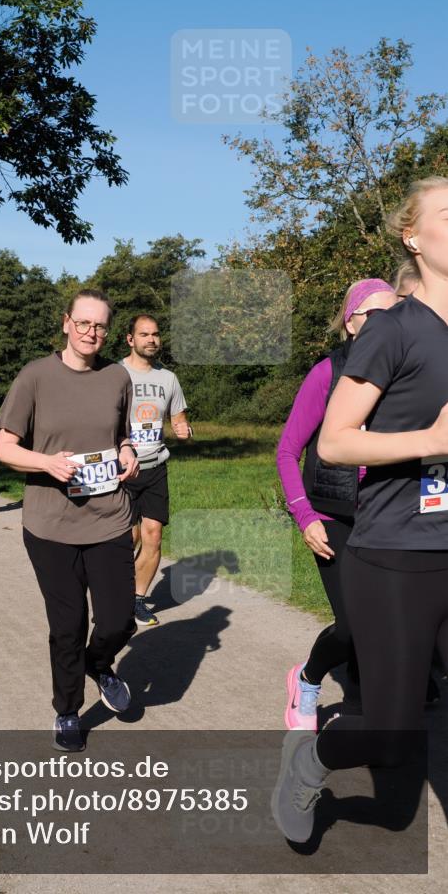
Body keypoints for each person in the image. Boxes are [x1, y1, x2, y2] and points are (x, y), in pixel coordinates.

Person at [272, 176, 448, 844]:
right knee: (393, 736)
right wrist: (431, 442)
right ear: (413, 237)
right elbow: (336, 442)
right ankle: (310, 760)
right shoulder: (393, 330)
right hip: (397, 554)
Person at [0, 289, 140, 752]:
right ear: (66, 323)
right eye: (83, 323)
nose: (90, 332)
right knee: (68, 624)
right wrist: (46, 463)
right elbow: (3, 446)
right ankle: (68, 710)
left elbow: (121, 435)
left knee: (118, 620)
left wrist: (127, 452)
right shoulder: (35, 376)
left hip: (110, 518)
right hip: (50, 526)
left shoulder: (117, 377)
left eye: (99, 326)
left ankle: (98, 662)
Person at [277, 278, 398, 730]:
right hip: (331, 516)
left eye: (396, 315)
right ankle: (307, 679)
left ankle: (374, 688)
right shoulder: (326, 374)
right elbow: (288, 451)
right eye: (376, 315)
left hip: (385, 515)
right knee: (351, 625)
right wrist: (305, 516)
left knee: (393, 614)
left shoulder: (405, 376)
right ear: (351, 323)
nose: (388, 325)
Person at [121, 314, 192, 627]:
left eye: (155, 334)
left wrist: (184, 429)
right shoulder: (114, 374)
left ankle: (137, 600)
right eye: (144, 334)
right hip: (122, 470)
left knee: (153, 535)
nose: (151, 339)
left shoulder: (169, 379)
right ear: (130, 339)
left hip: (155, 467)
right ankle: (115, 597)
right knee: (128, 538)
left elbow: (179, 419)